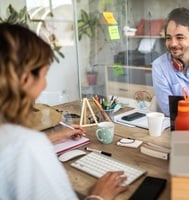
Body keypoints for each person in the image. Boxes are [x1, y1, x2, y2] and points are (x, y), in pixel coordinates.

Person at [0, 23, 128, 200]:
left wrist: (53, 137)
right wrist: (99, 196)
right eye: (44, 74)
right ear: (26, 78)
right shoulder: (27, 146)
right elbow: (20, 148)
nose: (45, 84)